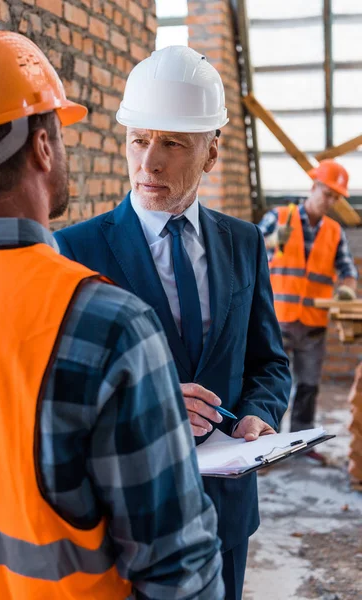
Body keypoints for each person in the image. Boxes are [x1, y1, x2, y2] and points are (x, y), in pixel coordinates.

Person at [0, 32, 225, 600]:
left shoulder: (238, 245)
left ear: (209, 151)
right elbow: (179, 573)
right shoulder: (106, 324)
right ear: (42, 148)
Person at [55, 45, 291, 600]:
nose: (149, 162)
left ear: (212, 153)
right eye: (139, 140)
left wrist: (258, 415)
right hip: (125, 518)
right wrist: (148, 404)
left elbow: (268, 362)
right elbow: (56, 394)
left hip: (226, 515)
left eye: (173, 144)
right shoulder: (74, 250)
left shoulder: (243, 243)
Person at [258, 160, 358, 449]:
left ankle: (301, 444)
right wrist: (271, 240)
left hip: (313, 323)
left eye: (336, 197)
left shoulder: (334, 231)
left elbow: (347, 270)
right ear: (313, 187)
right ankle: (266, 446)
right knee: (270, 386)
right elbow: (247, 250)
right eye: (327, 193)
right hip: (277, 320)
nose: (330, 201)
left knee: (308, 386)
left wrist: (347, 290)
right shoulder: (279, 217)